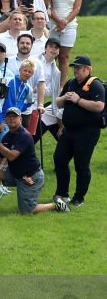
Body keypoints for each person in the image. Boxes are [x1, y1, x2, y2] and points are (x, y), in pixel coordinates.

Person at [0, 108, 68, 215]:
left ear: (21, 119)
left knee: (26, 211)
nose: (11, 119)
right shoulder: (6, 137)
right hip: (15, 173)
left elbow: (12, 156)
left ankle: (55, 204)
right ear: (5, 119)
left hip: (31, 176)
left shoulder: (25, 136)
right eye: (9, 117)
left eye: (14, 116)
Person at [52, 56, 103, 208]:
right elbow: (58, 102)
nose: (75, 71)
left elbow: (99, 106)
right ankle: (62, 193)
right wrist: (65, 98)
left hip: (87, 132)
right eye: (74, 68)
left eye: (78, 68)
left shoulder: (95, 85)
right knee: (59, 159)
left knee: (81, 165)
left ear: (87, 69)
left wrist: (78, 100)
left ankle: (79, 197)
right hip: (69, 131)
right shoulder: (71, 83)